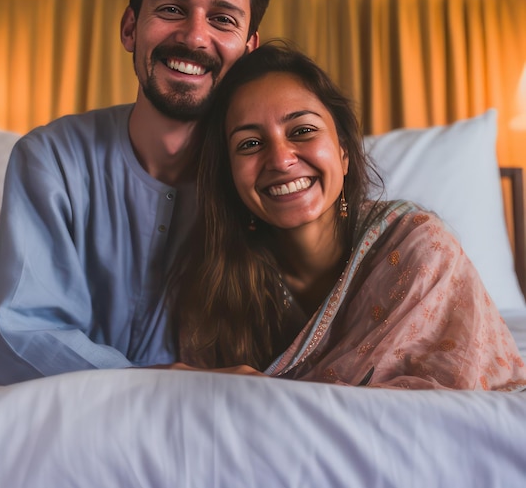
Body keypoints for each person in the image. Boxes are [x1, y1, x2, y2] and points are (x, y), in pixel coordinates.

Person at [0, 0, 278, 386]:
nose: (195, 37)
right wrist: (160, 380)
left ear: (248, 52)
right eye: (172, 9)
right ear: (130, 28)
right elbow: (21, 336)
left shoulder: (268, 178)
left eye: (222, 20)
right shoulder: (50, 158)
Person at [174, 43, 526, 390]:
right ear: (230, 176)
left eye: (302, 131)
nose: (280, 160)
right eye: (250, 144)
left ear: (343, 152)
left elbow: (460, 408)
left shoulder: (421, 252)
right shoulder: (219, 282)